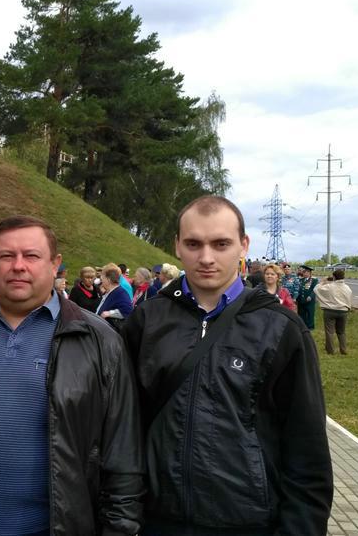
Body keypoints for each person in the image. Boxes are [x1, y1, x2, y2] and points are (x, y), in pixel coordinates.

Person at [121, 195, 333, 535]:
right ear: (177, 245)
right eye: (193, 244)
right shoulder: (147, 320)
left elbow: (307, 450)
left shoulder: (281, 329)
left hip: (248, 524)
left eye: (221, 244)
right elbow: (123, 427)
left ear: (243, 245)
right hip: (156, 520)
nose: (206, 258)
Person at [0, 215, 144, 535]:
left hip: (54, 528)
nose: (18, 266)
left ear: (54, 264)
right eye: (7, 256)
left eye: (31, 256)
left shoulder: (100, 341)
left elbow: (123, 456)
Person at [316, 269, 352, 355]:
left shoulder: (330, 286)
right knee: (341, 332)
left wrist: (323, 281)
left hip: (330, 310)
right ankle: (343, 349)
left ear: (334, 277)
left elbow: (317, 289)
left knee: (329, 332)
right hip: (343, 311)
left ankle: (330, 350)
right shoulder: (347, 288)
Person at [295, 265, 319, 330]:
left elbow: (315, 290)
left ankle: (310, 326)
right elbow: (297, 289)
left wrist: (310, 296)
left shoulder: (314, 280)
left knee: (310, 313)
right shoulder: (300, 280)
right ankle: (302, 325)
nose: (305, 273)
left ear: (309, 273)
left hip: (309, 300)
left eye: (306, 272)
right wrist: (296, 298)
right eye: (304, 272)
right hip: (301, 299)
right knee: (301, 313)